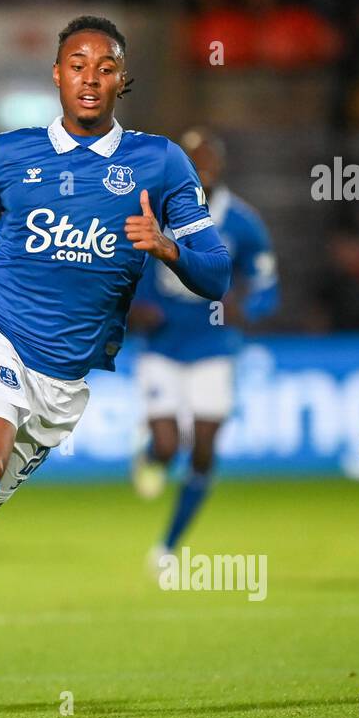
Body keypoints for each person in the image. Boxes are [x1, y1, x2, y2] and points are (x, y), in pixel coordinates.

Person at [0, 16, 231, 698]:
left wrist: (168, 246)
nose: (90, 77)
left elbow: (217, 274)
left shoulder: (160, 164)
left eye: (105, 66)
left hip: (64, 379)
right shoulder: (9, 154)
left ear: (124, 79)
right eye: (76, 64)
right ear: (55, 75)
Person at [131, 127, 279, 567]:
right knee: (167, 443)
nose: (202, 169)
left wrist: (247, 307)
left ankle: (168, 546)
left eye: (207, 161)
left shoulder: (241, 222)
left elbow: (269, 286)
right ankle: (150, 453)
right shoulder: (152, 213)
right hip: (163, 347)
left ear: (220, 166)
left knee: (204, 448)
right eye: (193, 161)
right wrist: (136, 310)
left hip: (214, 347)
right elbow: (126, 271)